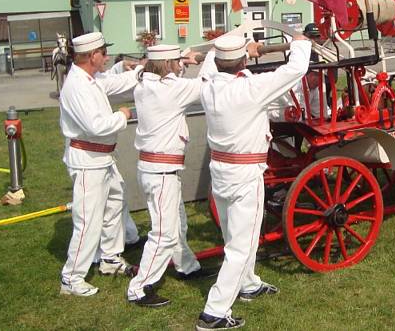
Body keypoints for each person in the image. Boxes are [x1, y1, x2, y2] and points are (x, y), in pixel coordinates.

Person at [195, 33, 310, 331]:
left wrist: (239, 49)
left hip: (220, 170)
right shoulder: (250, 88)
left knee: (235, 235)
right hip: (245, 174)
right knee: (241, 246)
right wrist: (299, 42)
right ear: (244, 61)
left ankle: (247, 283)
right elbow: (295, 69)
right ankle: (214, 312)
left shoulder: (207, 83)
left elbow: (211, 60)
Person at [126, 44, 217, 307]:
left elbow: (172, 80)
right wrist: (210, 55)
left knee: (178, 224)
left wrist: (183, 61)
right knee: (164, 233)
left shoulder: (146, 84)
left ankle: (187, 266)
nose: (180, 64)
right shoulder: (170, 90)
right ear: (167, 65)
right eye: (176, 61)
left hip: (157, 168)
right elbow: (205, 82)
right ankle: (140, 287)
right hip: (162, 171)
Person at [58, 32, 141, 297]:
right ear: (92, 55)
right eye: (103, 53)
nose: (106, 57)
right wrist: (122, 115)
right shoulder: (78, 86)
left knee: (116, 203)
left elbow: (114, 82)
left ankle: (109, 258)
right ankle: (72, 277)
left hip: (102, 157)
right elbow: (95, 126)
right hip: (87, 160)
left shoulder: (89, 79)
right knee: (88, 219)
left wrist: (143, 69)